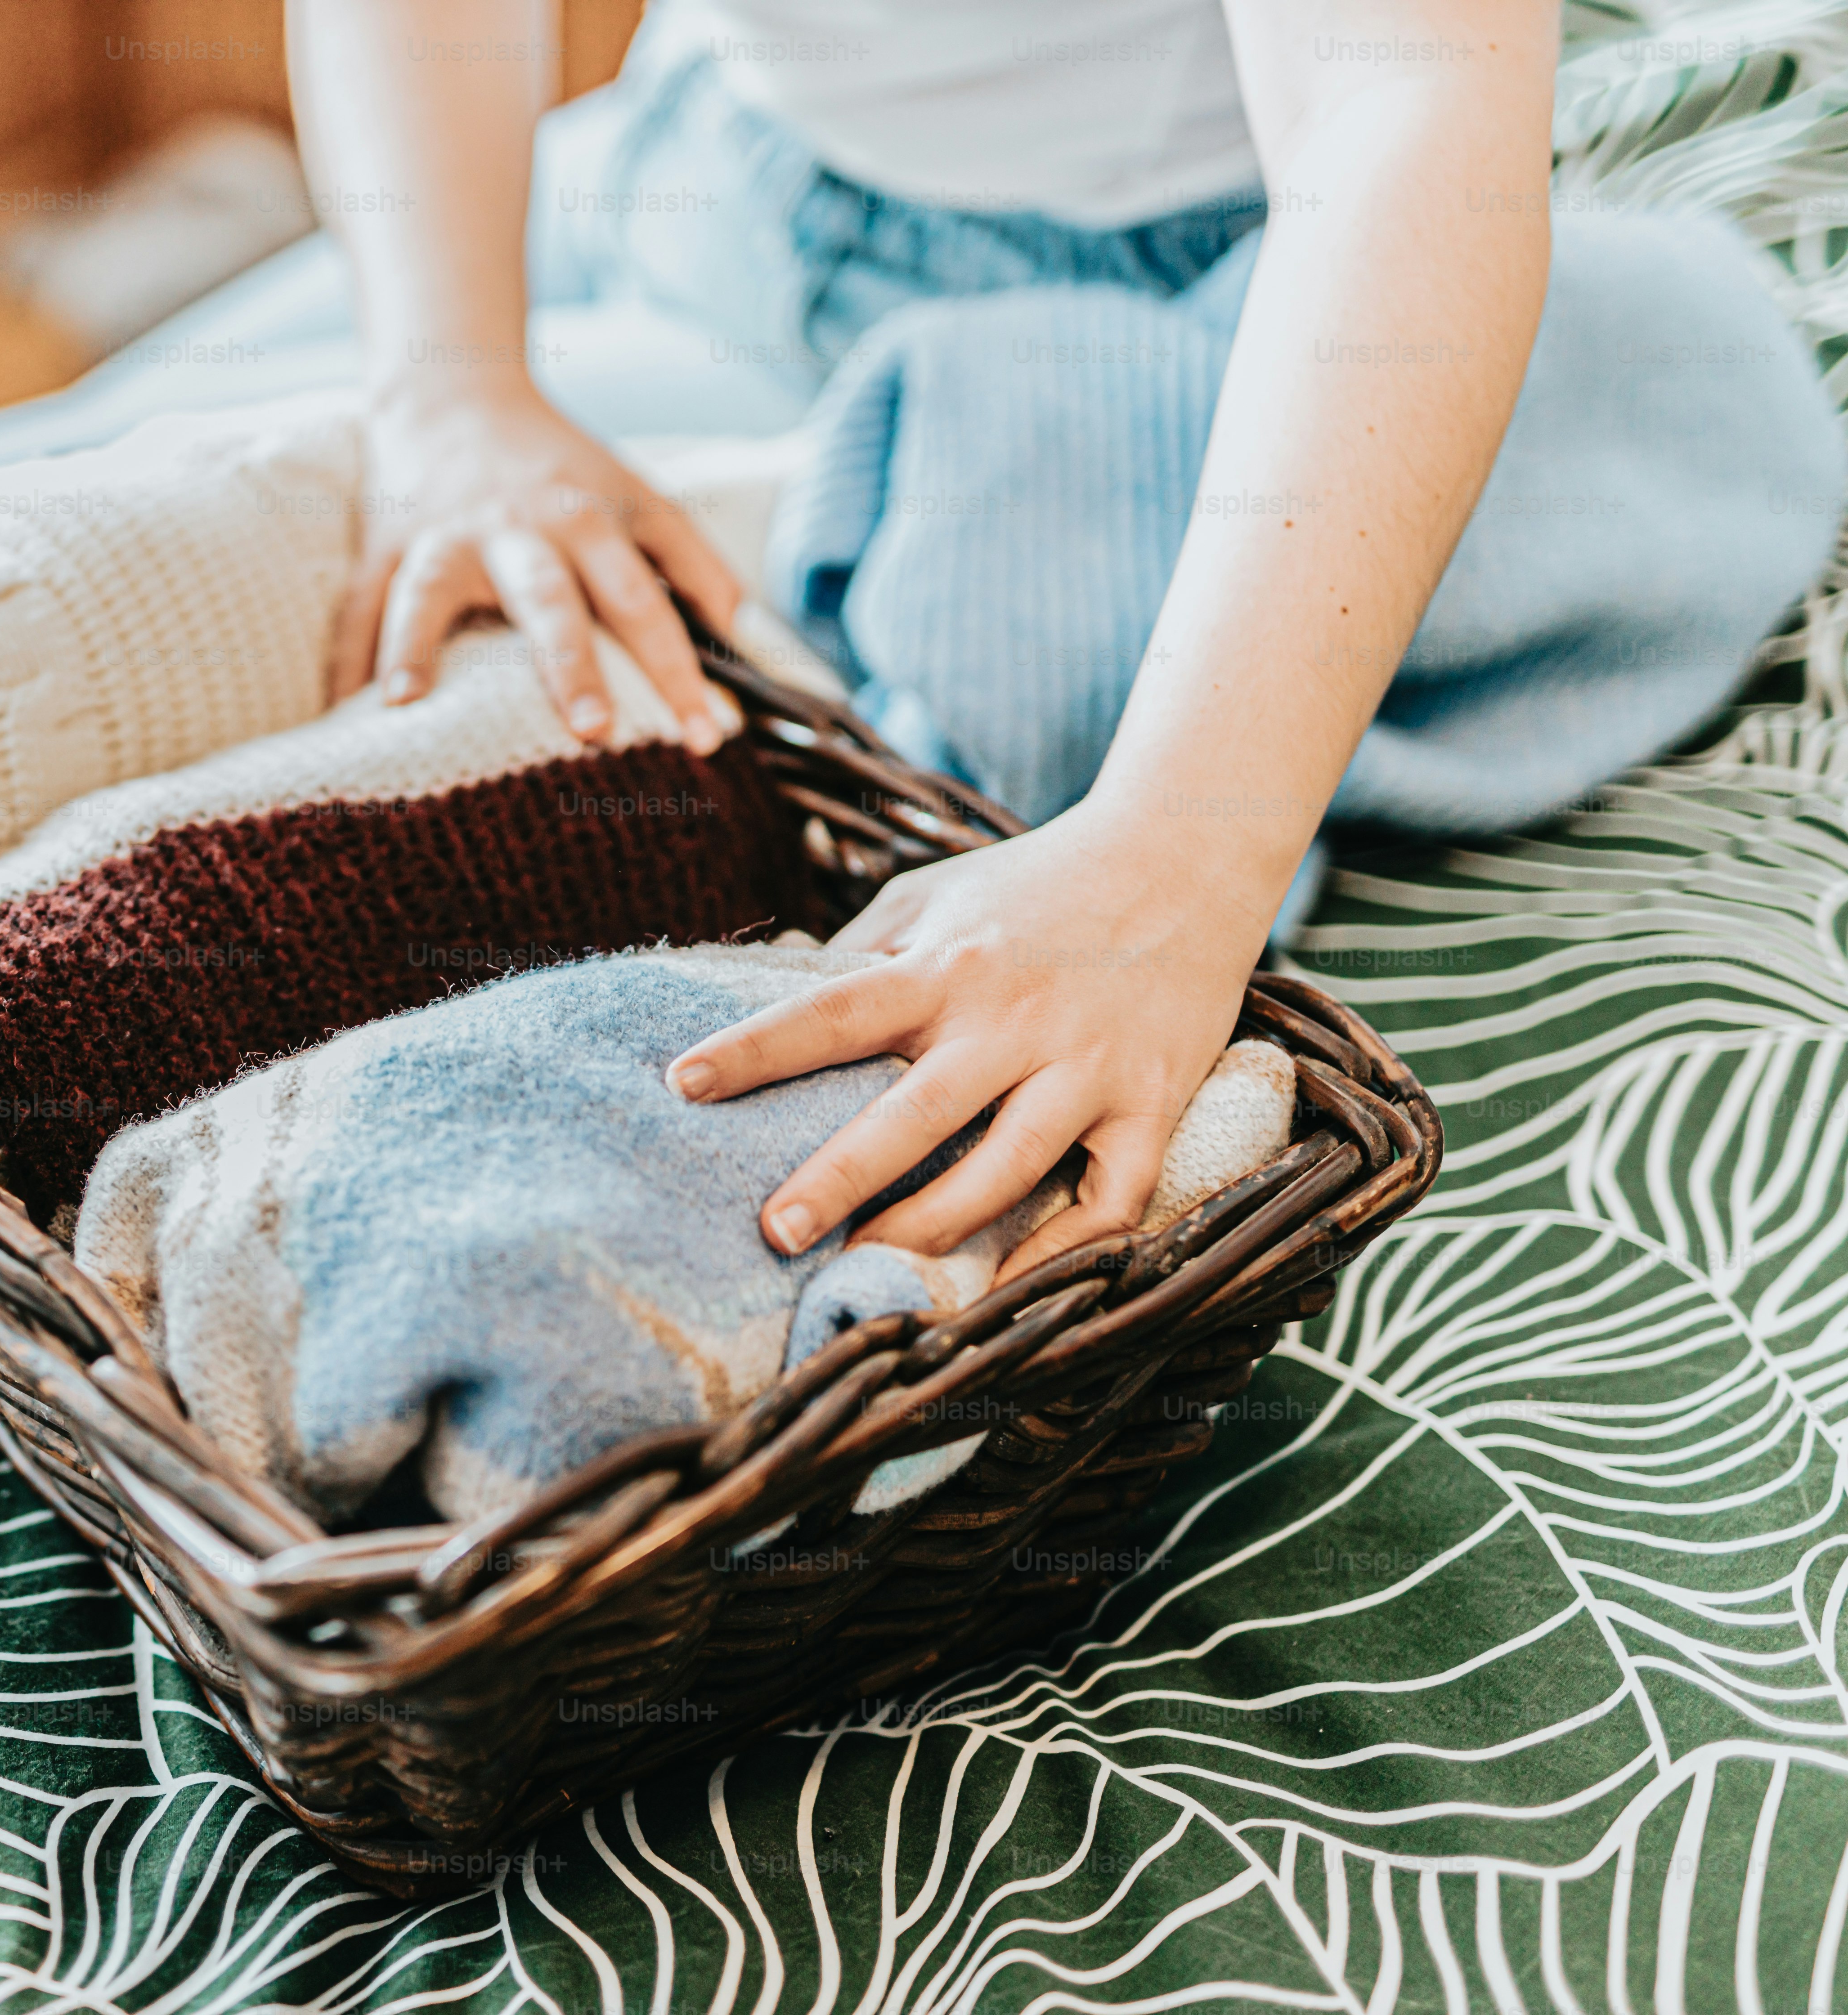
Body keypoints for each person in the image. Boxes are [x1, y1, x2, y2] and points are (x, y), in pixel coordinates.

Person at [282, 0, 1641, 1272]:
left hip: (1247, 293)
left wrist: (1179, 856)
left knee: (1032, 673)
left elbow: (1396, 108)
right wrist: (451, 382)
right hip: (715, 180)